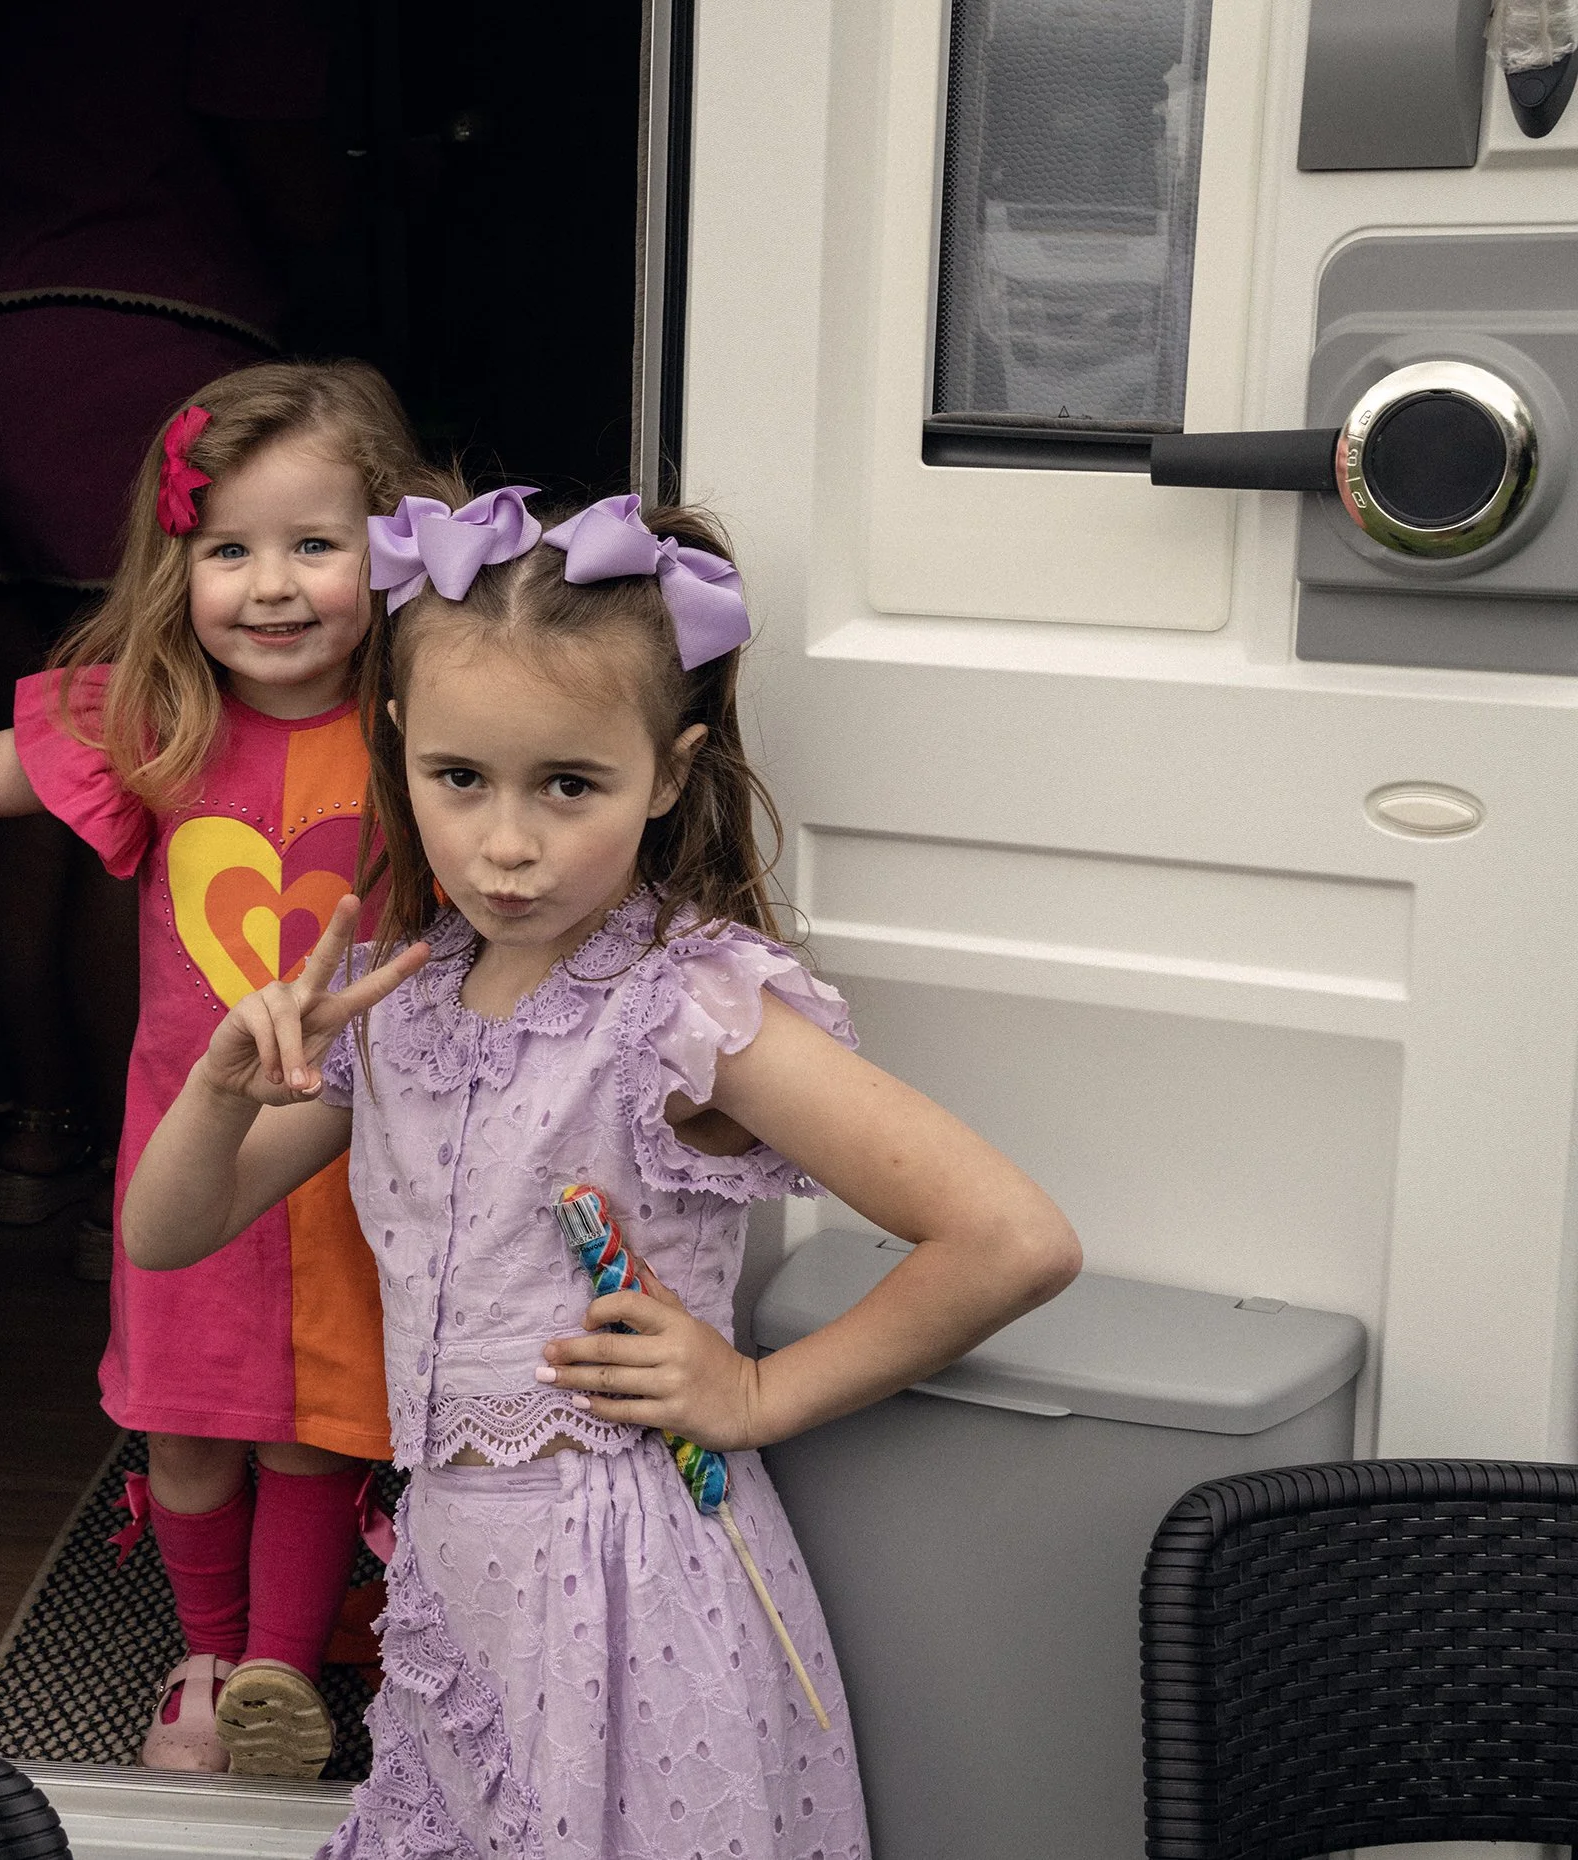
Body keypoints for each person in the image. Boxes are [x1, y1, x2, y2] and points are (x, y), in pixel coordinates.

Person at [121, 484, 1082, 1857]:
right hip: (455, 1570)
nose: (506, 844)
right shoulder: (399, 999)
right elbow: (169, 1231)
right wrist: (217, 1094)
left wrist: (756, 1393)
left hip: (625, 1588)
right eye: (459, 779)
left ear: (669, 775)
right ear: (395, 747)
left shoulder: (682, 1008)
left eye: (568, 786)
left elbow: (1010, 1236)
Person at [0, 361, 435, 1778]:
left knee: (316, 1428)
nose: (272, 588)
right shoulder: (155, 714)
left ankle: (278, 1674)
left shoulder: (425, 727)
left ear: (391, 547)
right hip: (187, 1161)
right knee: (191, 1426)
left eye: (314, 545)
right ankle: (205, 1656)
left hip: (351, 1154)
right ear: (176, 566)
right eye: (229, 551)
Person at [0, 1, 343, 1236]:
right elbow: (290, 174)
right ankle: (134, 1173)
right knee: (153, 763)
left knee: (52, 753)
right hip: (132, 325)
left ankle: (39, 1131)